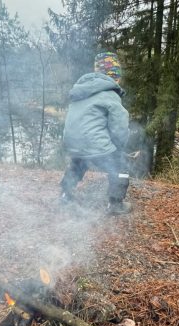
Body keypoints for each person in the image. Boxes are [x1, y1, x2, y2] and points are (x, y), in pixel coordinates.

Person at [60, 52, 131, 215]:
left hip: (73, 143)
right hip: (95, 145)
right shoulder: (110, 94)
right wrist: (119, 146)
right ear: (115, 77)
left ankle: (65, 195)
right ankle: (115, 204)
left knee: (78, 164)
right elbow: (119, 126)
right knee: (120, 166)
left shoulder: (80, 91)